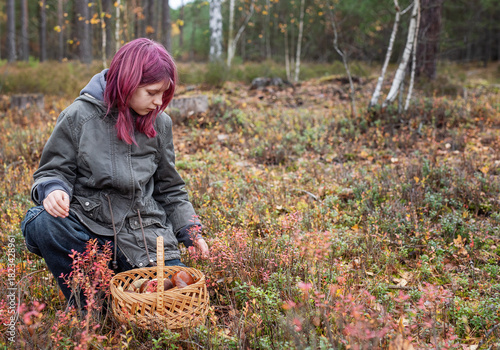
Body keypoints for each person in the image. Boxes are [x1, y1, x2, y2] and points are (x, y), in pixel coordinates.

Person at [21, 38, 209, 303]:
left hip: (144, 234)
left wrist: (191, 232)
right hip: (89, 228)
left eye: (164, 93)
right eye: (152, 92)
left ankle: (117, 298)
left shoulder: (161, 124)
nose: (159, 102)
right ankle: (92, 309)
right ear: (128, 82)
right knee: (43, 222)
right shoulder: (78, 117)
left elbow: (171, 188)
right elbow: (54, 170)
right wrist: (53, 190)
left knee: (166, 296)